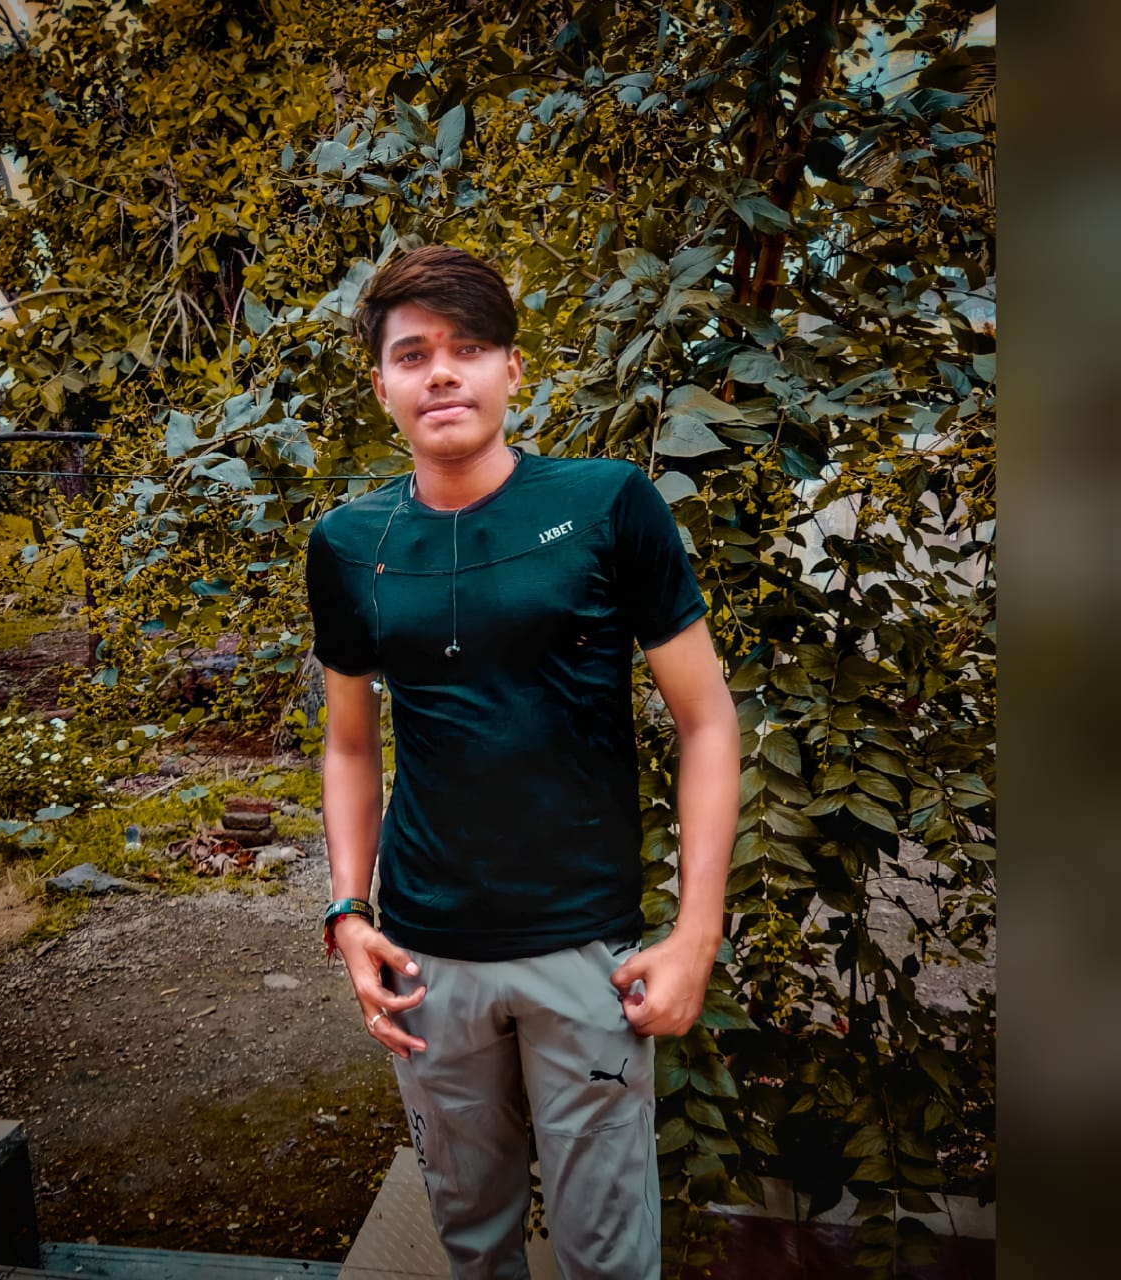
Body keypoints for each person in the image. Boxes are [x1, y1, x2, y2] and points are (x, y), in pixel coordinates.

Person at [305, 245, 739, 1280]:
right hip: (424, 959)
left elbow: (708, 722)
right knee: (473, 1241)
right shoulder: (349, 543)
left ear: (512, 367)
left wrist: (695, 933)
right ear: (382, 385)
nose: (441, 373)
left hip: (586, 951)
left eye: (467, 348)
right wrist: (348, 911)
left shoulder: (607, 504)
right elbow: (350, 742)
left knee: (608, 1256)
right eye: (413, 354)